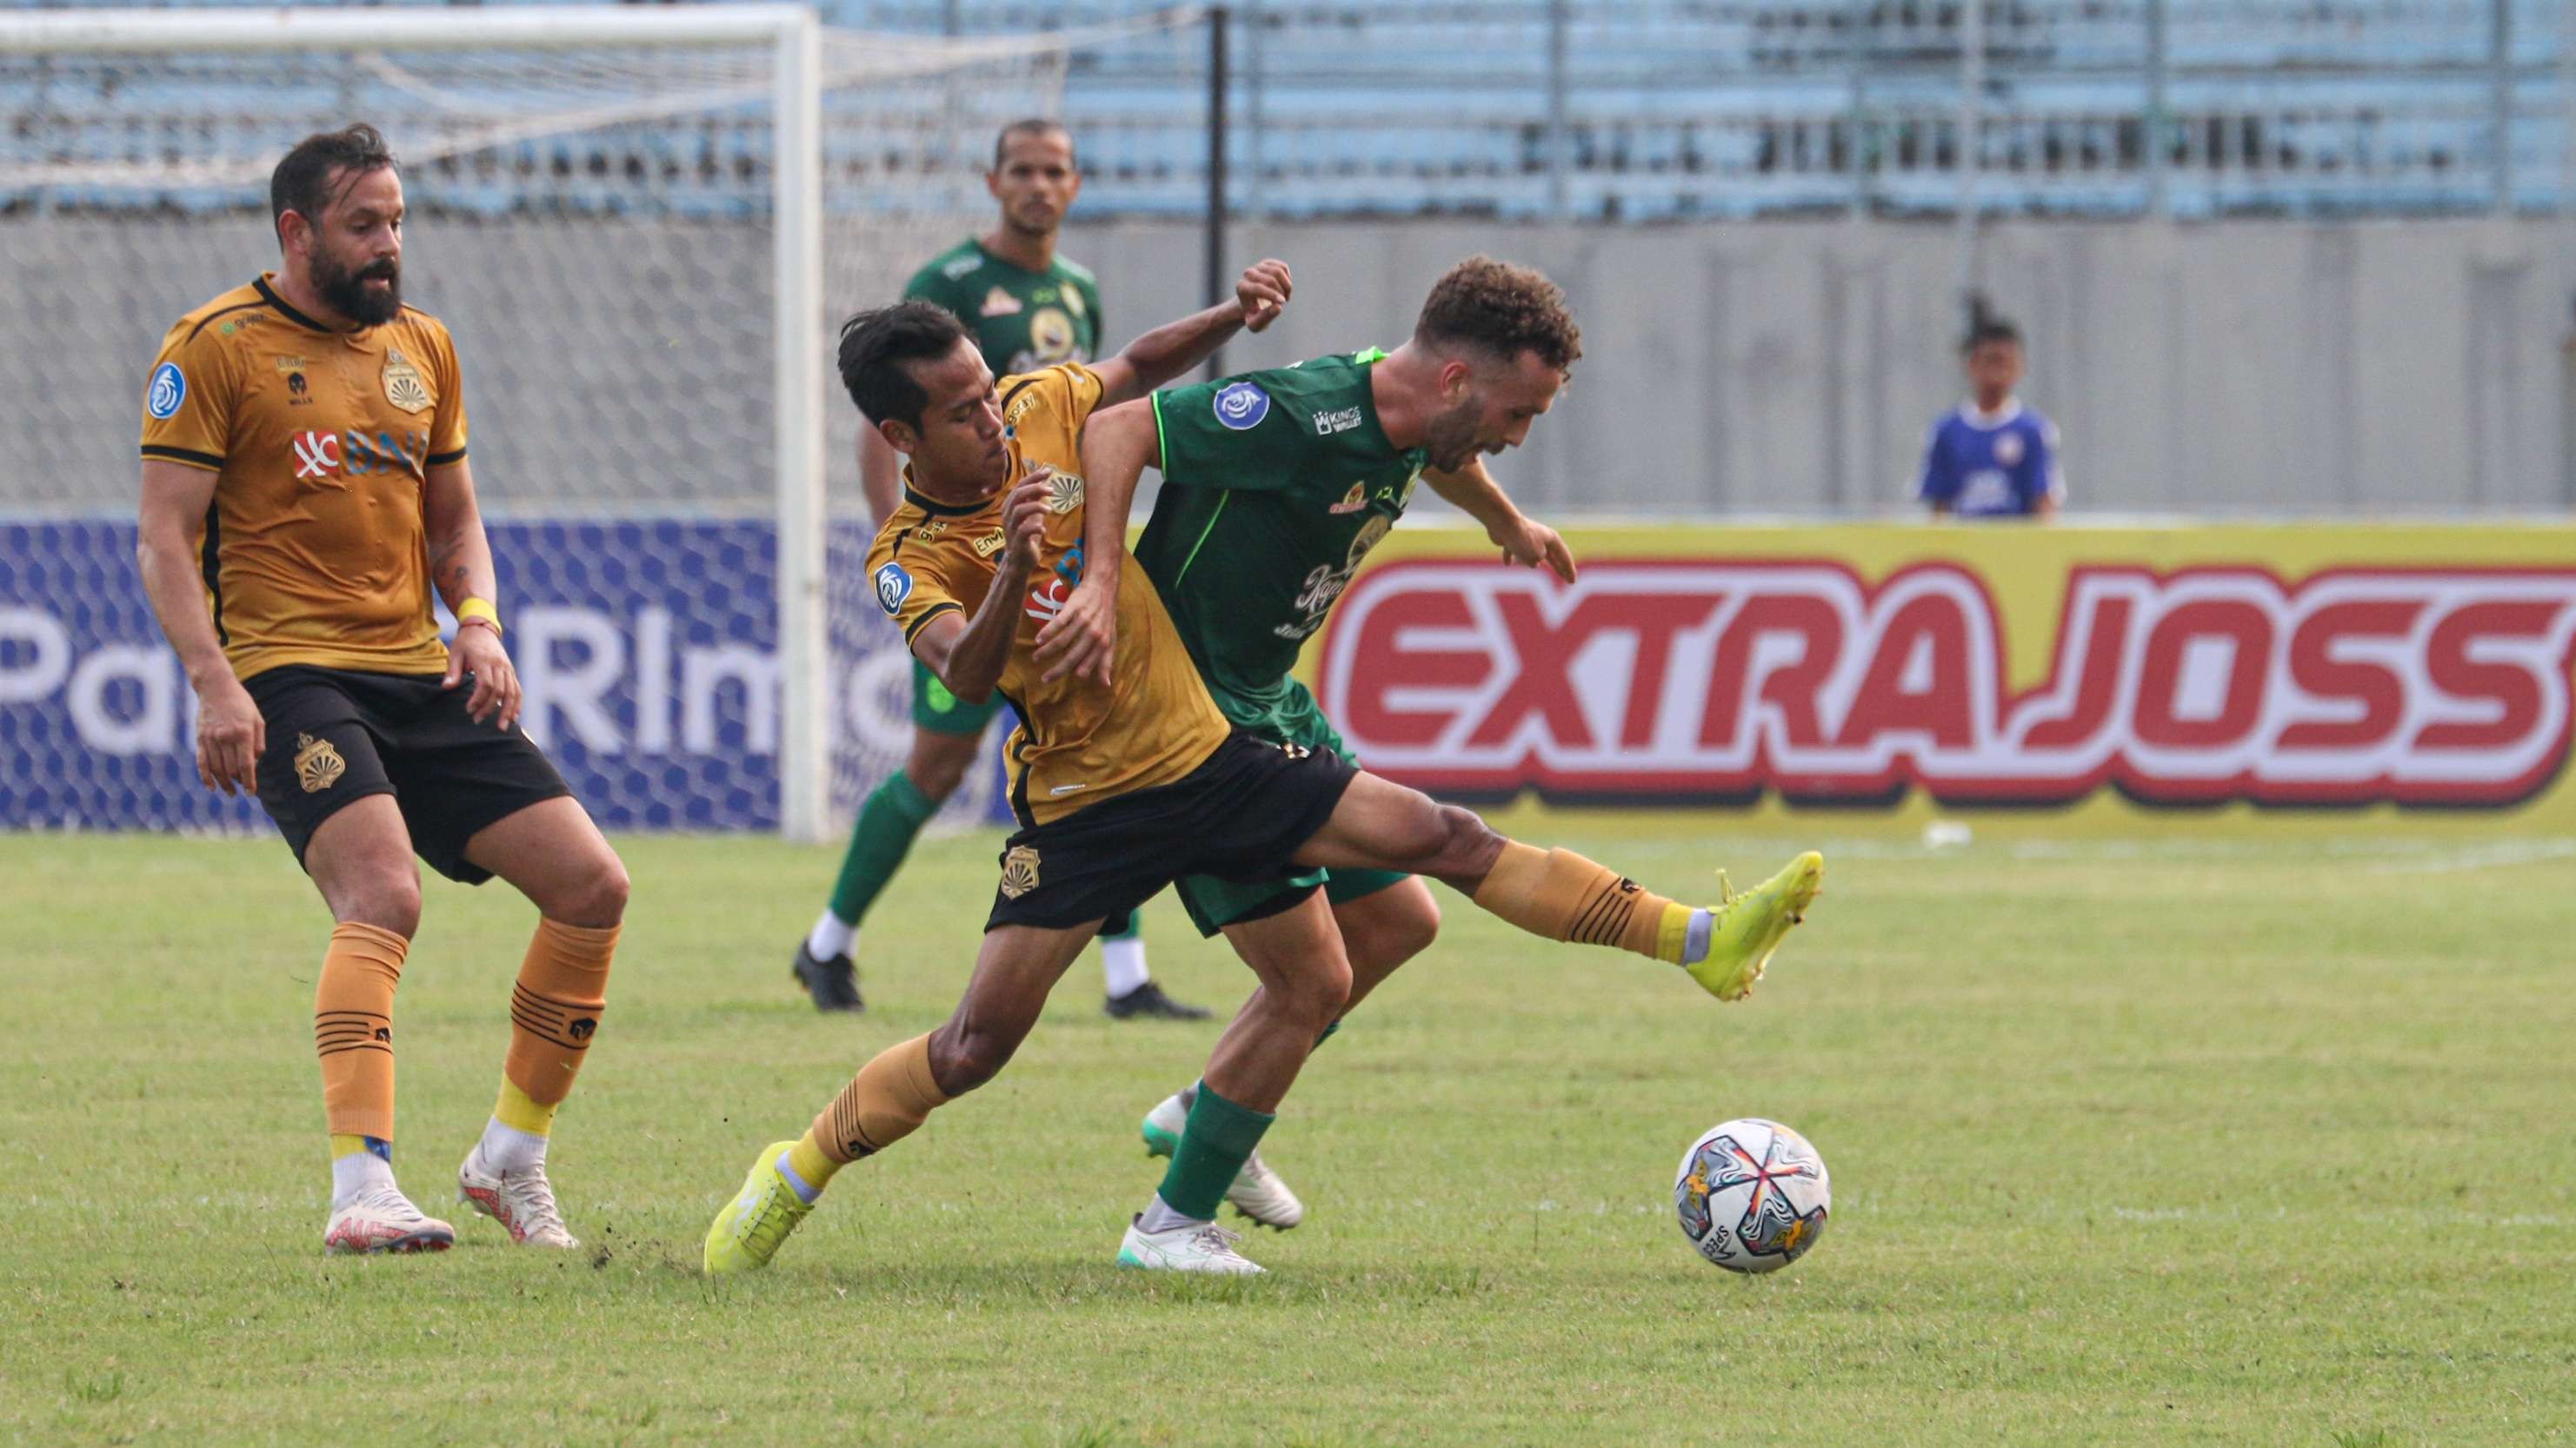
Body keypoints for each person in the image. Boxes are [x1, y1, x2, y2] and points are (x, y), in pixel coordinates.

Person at [700, 297, 1823, 1279]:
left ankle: (1693, 939)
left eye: (986, 394)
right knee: (970, 1049)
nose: (990, 419)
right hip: (1082, 800)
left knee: (1427, 856)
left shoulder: (1038, 408)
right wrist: (1019, 562)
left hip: (1210, 753)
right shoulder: (907, 551)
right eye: (957, 413)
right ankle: (793, 1170)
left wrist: (1228, 322)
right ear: (900, 434)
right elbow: (961, 667)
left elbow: (1127, 377)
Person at [134, 124, 629, 1256]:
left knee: (593, 886)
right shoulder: (211, 346)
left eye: (398, 221)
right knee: (383, 895)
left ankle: (509, 1157)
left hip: (418, 670)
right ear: (296, 230)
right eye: (365, 225)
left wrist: (481, 623)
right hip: (288, 672)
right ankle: (361, 1186)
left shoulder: (423, 346)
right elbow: (166, 537)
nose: (389, 244)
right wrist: (215, 685)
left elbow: (455, 517)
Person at [1048, 256, 1585, 1232]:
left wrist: (1508, 524)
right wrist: (1096, 579)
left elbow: (1438, 456)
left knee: (1398, 924)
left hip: (1268, 702)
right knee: (1311, 978)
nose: (1515, 436)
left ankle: (1207, 1114)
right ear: (1458, 379)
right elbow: (1118, 424)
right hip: (1192, 724)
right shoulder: (1300, 415)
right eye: (1519, 413)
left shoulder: (1408, 416)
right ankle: (1173, 1223)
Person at [791, 118, 1205, 1021]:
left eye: (1054, 170)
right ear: (993, 181)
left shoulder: (1075, 289)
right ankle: (829, 939)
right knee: (938, 768)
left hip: (1043, 549)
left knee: (1095, 726)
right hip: (967, 574)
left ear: (1076, 183)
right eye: (1021, 170)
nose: (1038, 186)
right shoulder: (950, 286)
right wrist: (907, 549)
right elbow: (888, 419)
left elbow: (1099, 410)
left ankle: (1125, 973)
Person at [1916, 309, 2065, 519]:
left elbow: (2045, 502)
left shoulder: (2033, 430)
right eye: (1990, 361)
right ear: (1972, 366)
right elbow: (1939, 505)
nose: (1997, 372)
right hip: (1965, 547)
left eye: (2004, 362)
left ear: (2019, 367)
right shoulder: (1946, 431)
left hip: (2015, 547)